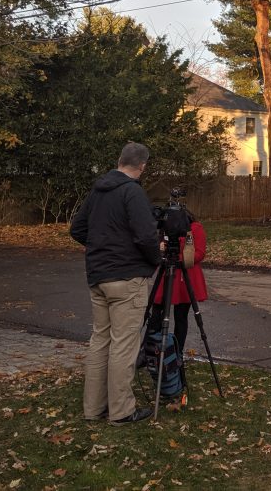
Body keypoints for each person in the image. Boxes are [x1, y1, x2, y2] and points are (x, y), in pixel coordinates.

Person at [70, 142, 160, 425]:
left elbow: (78, 228)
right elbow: (146, 236)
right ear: (142, 166)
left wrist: (102, 247)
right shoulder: (132, 192)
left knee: (100, 342)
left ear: (119, 160)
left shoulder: (99, 190)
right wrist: (154, 258)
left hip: (99, 276)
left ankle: (93, 408)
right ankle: (121, 411)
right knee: (123, 345)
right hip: (126, 278)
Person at [149, 217, 208, 356]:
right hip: (168, 273)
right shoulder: (166, 228)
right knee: (156, 313)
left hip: (185, 275)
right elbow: (159, 247)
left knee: (181, 316)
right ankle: (151, 349)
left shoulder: (194, 228)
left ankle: (176, 353)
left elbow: (199, 253)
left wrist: (179, 258)